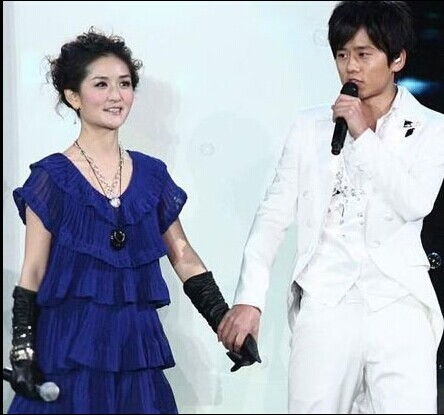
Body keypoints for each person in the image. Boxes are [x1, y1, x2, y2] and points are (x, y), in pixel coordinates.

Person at [6, 28, 258, 414]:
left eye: (124, 84)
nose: (116, 95)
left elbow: (184, 257)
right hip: (70, 349)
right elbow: (34, 270)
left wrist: (226, 326)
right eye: (101, 84)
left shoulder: (152, 176)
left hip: (134, 350)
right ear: (73, 96)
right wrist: (22, 351)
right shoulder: (50, 179)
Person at [218, 1, 444, 413]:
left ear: (397, 59)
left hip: (399, 304)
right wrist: (250, 298)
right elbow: (272, 217)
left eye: (363, 54)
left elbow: (415, 202)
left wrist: (363, 135)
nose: (350, 67)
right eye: (342, 55)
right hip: (326, 300)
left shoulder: (432, 128)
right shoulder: (310, 128)